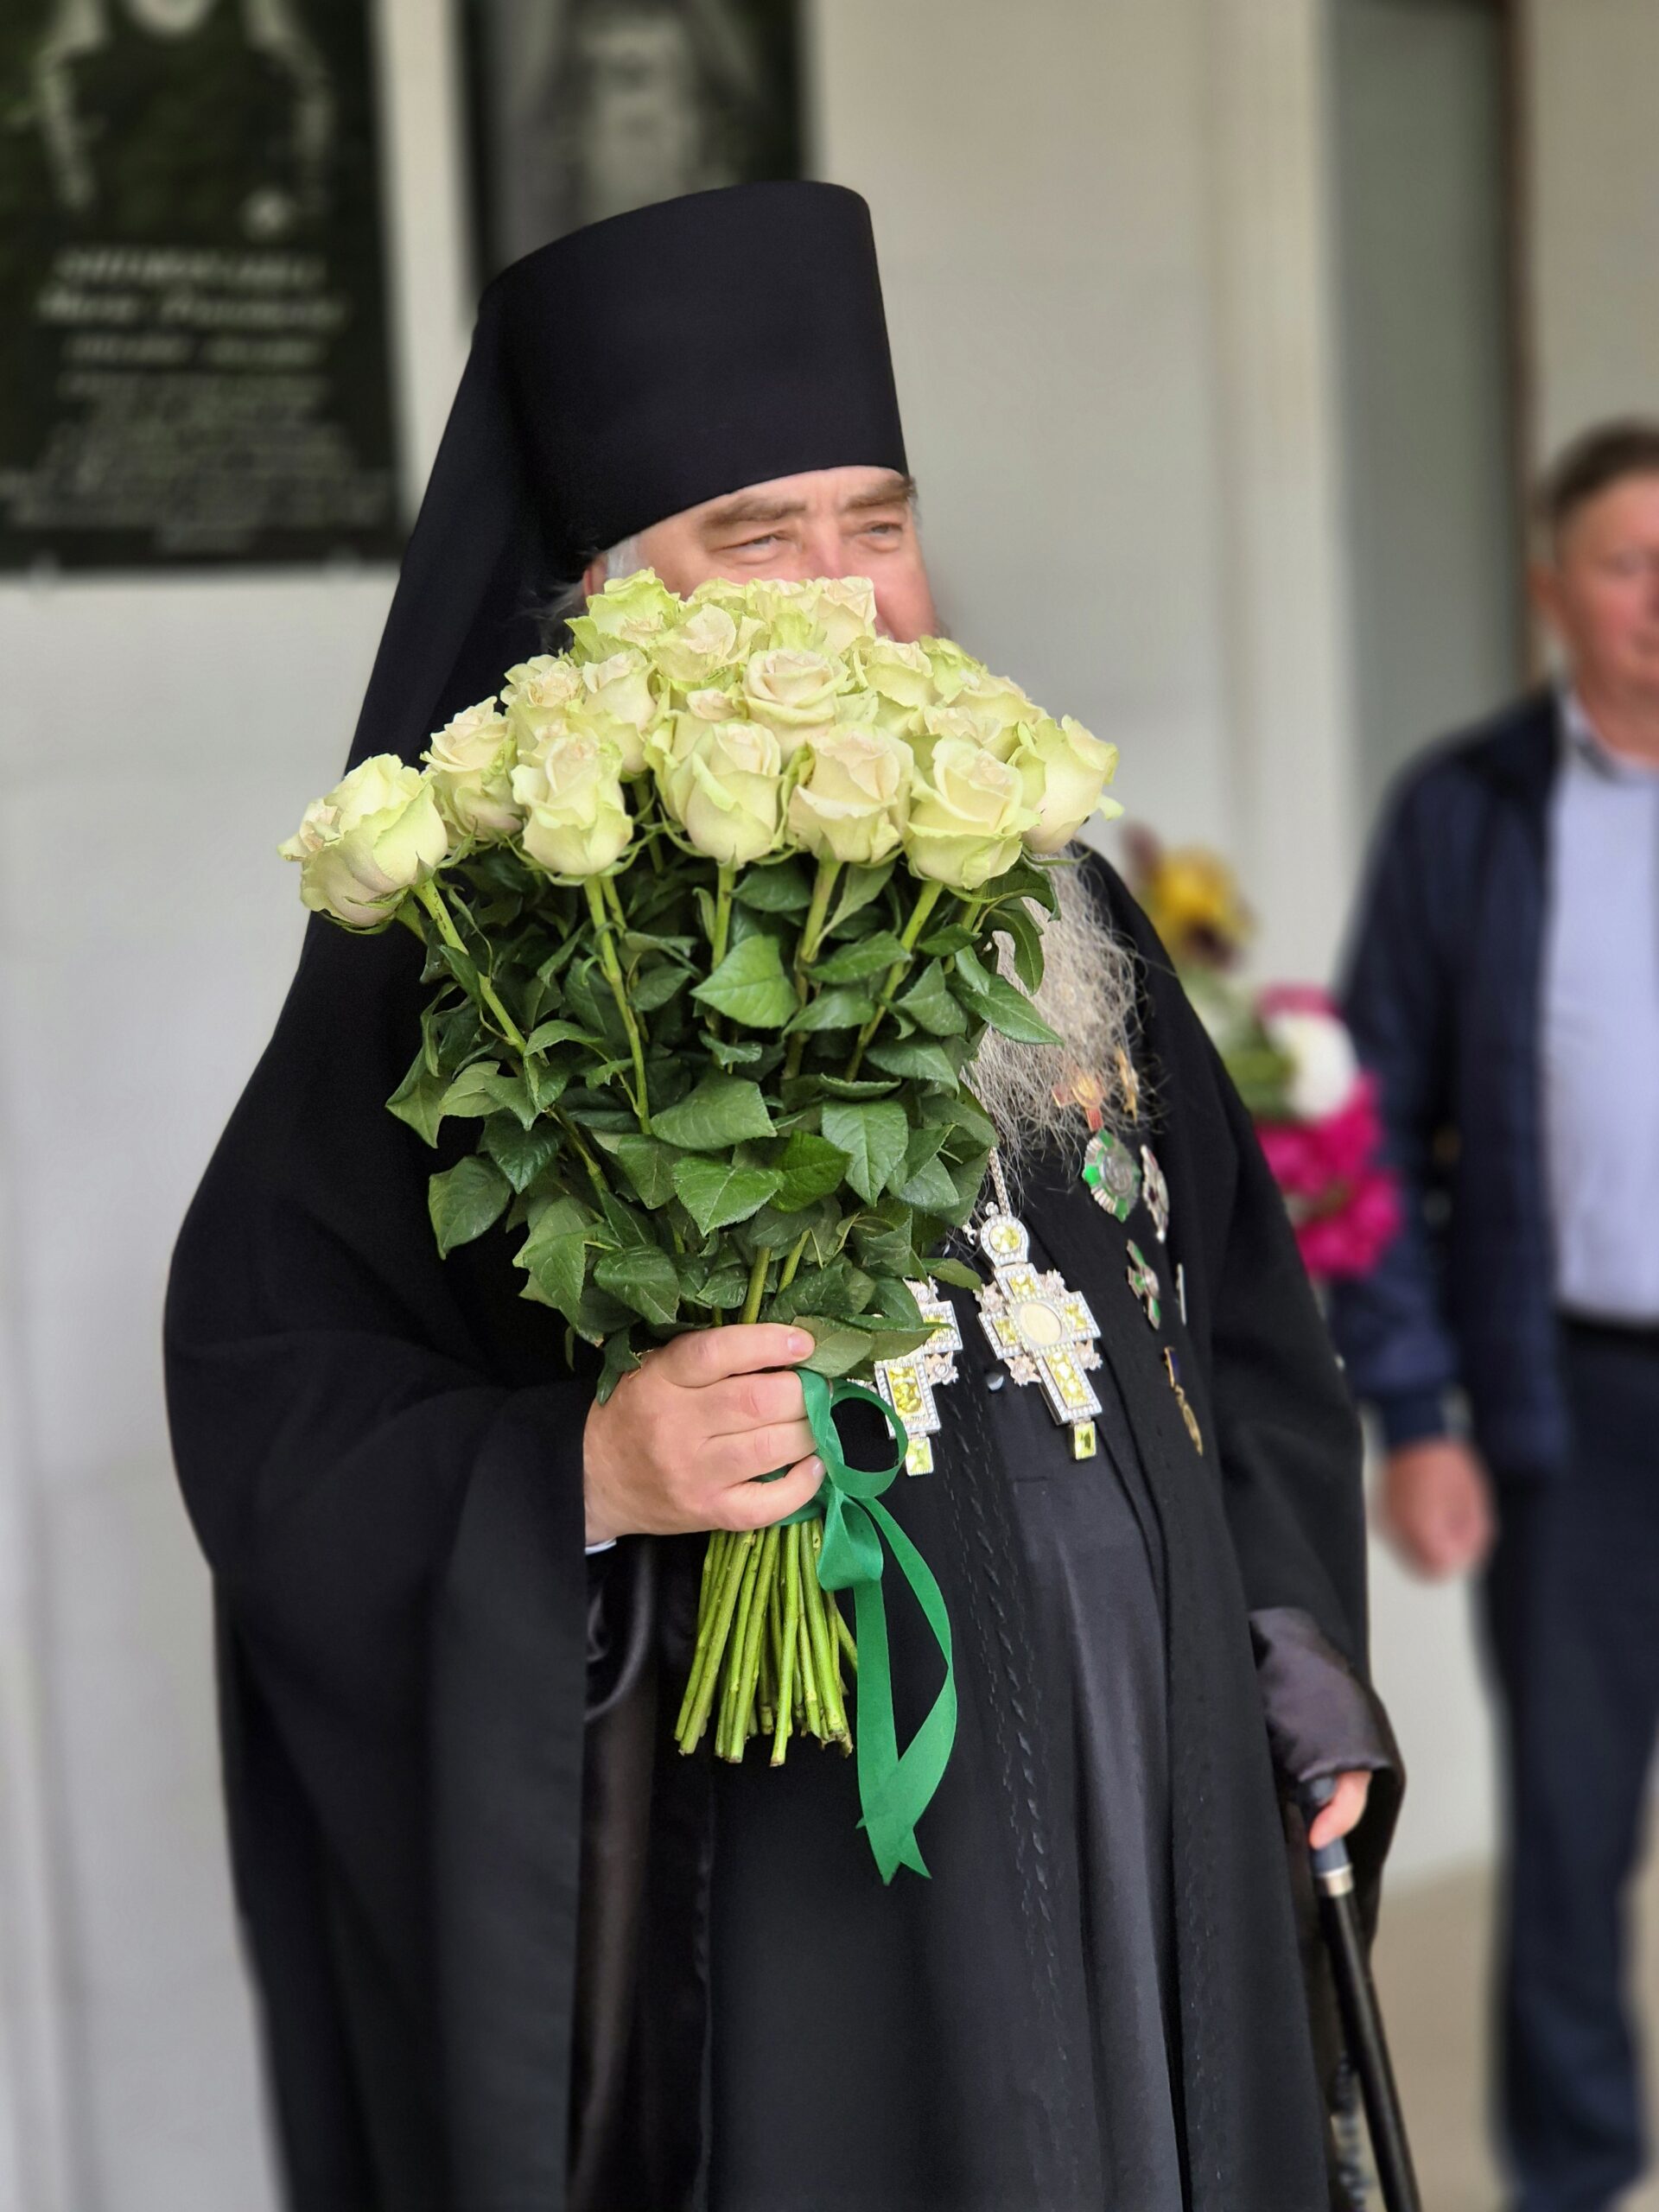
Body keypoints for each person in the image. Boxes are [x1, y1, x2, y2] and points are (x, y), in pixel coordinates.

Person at [166, 181, 1398, 2212]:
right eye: (759, 537)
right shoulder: (481, 950)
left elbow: (1235, 1315)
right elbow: (276, 1406)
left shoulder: (1057, 889)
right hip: (813, 1894)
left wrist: (1289, 1631)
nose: (848, 600)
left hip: (1161, 1795)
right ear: (595, 597)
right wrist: (581, 1470)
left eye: (877, 522)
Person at [1332, 420, 1659, 2212]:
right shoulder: (1464, 814)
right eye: (1627, 562)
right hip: (1569, 1394)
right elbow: (1366, 1122)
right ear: (1552, 591)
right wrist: (1419, 1408)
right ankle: (1579, 2174)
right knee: (1576, 1815)